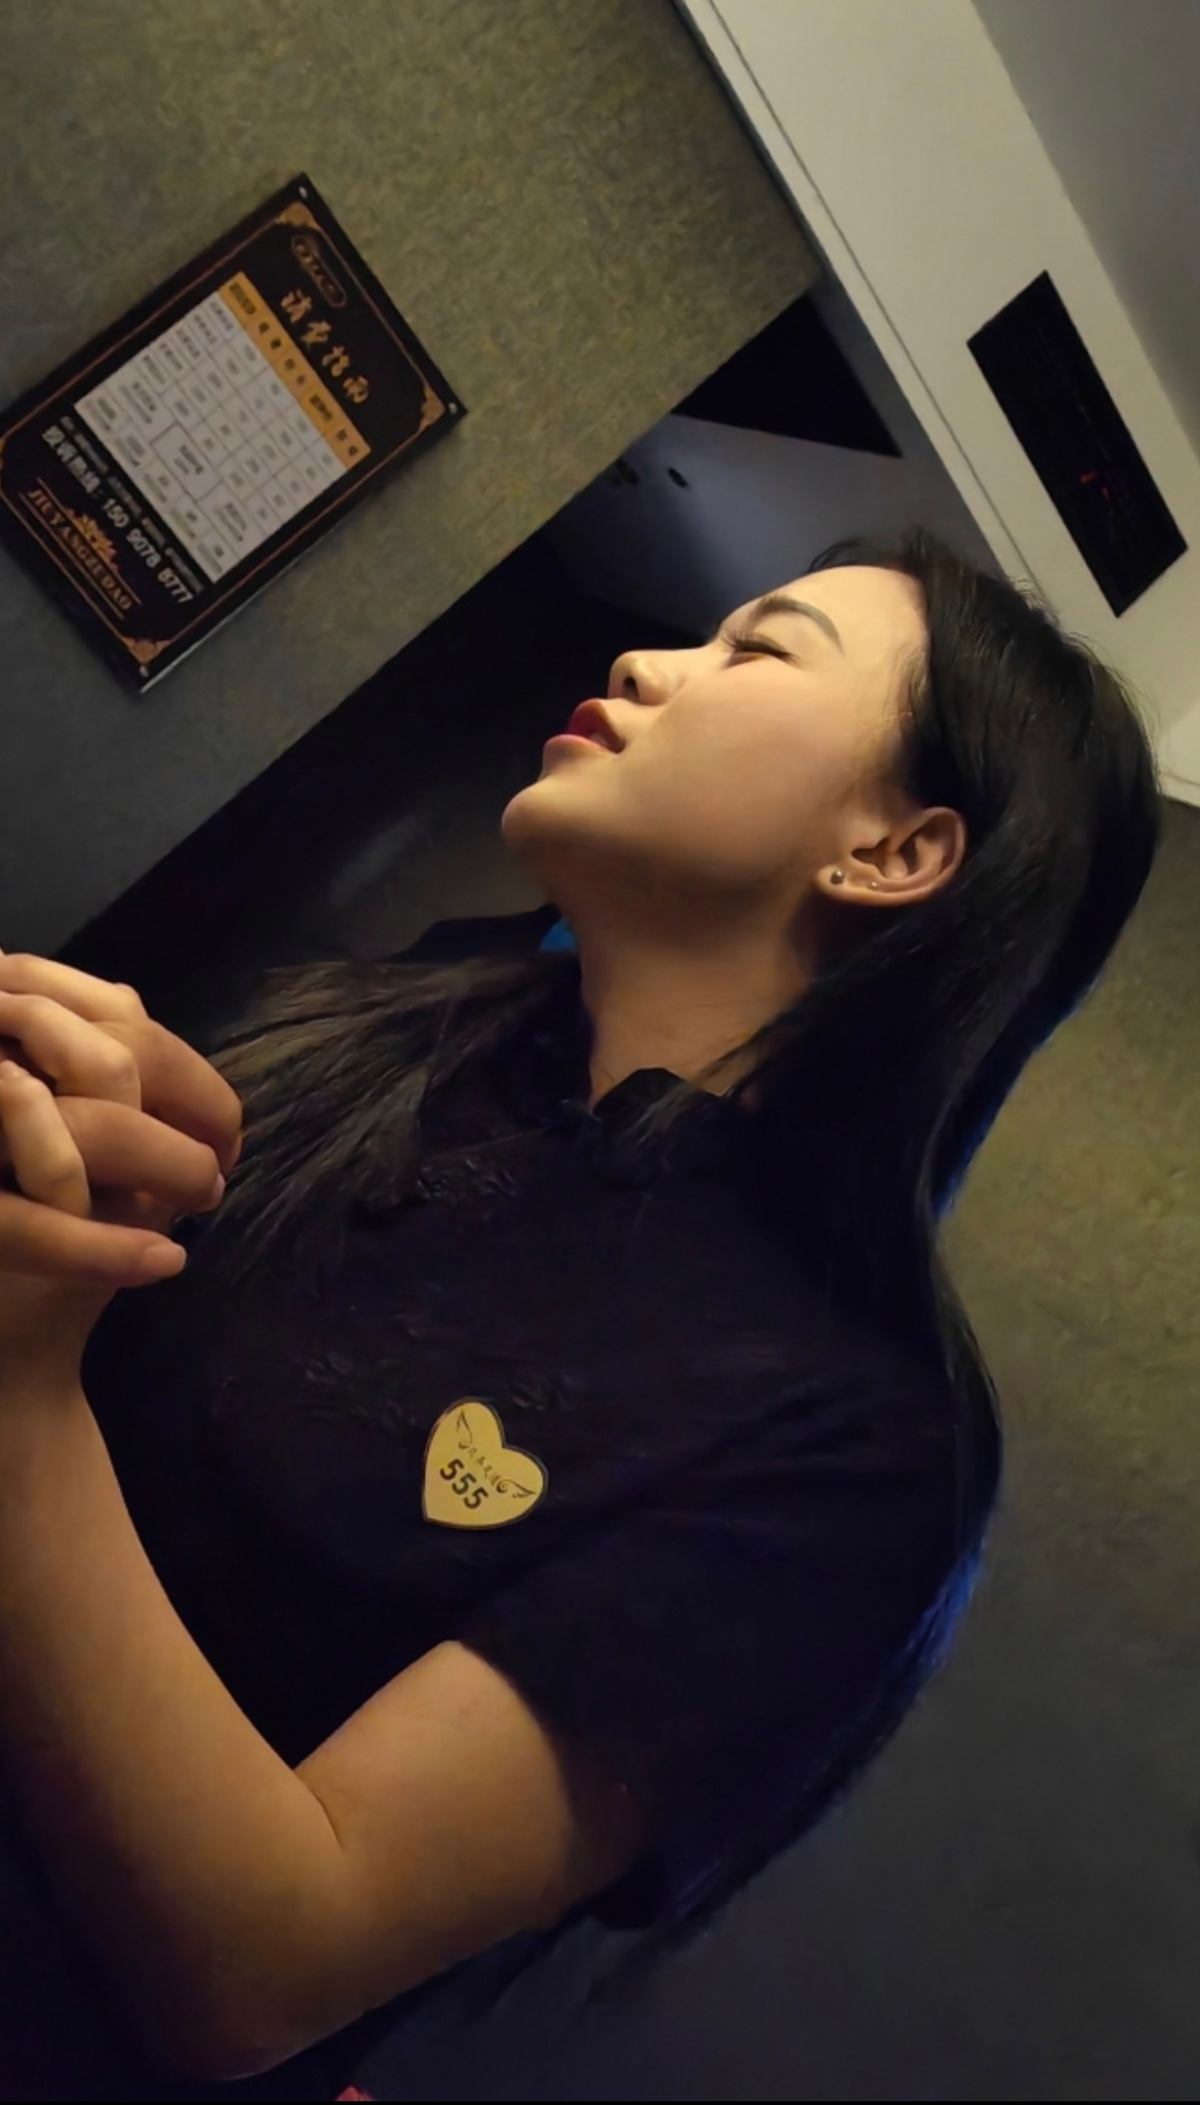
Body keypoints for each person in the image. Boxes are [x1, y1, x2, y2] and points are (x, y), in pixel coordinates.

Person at [0, 527, 1162, 2100]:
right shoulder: (417, 1024)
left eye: (760, 649)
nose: (647, 659)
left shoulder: (859, 1439)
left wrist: (19, 1388)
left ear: (896, 853)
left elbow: (259, 1958)